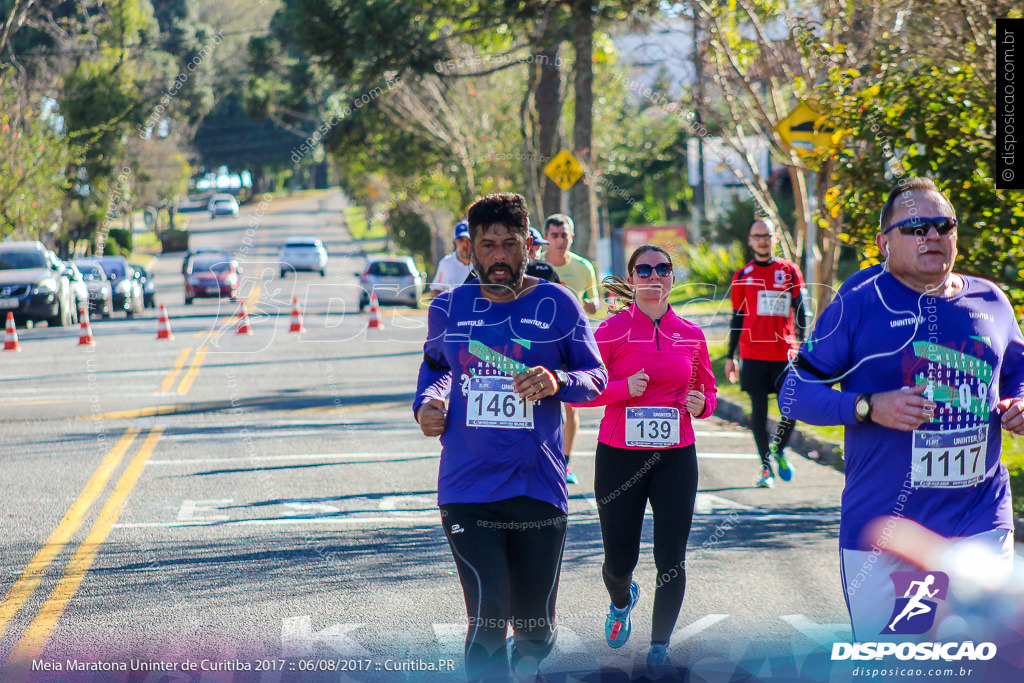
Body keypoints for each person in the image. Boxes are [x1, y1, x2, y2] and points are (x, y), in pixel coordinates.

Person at [780, 177, 1024, 640]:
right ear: (883, 242)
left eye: (942, 225)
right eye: (914, 227)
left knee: (984, 657)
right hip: (890, 532)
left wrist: (1020, 401)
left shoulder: (990, 300)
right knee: (905, 662)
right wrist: (868, 406)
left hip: (980, 519)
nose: (931, 236)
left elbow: (1016, 370)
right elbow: (793, 392)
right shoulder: (859, 302)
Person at [414, 193, 607, 682]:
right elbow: (437, 367)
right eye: (487, 245)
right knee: (487, 618)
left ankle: (528, 662)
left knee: (535, 631)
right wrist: (428, 403)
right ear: (471, 250)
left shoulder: (558, 303)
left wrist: (558, 381)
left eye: (509, 244)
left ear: (528, 247)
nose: (498, 255)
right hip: (467, 489)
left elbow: (597, 378)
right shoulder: (449, 308)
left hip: (538, 486)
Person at [572, 244, 716, 678]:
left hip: (676, 457)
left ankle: (659, 649)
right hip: (619, 457)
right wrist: (622, 389)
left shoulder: (691, 334)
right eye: (645, 269)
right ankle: (621, 601)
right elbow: (582, 391)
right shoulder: (610, 332)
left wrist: (701, 404)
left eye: (663, 268)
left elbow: (708, 392)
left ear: (673, 278)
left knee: (671, 558)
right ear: (631, 278)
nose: (655, 275)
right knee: (619, 562)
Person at [726, 218, 809, 488]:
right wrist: (731, 355)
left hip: (784, 352)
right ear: (750, 240)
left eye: (767, 235)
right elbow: (737, 318)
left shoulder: (789, 271)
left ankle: (779, 448)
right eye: (757, 236)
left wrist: (803, 344)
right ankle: (765, 468)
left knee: (792, 407)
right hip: (752, 354)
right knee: (758, 413)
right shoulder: (742, 275)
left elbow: (800, 311)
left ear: (775, 238)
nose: (762, 240)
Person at [544, 213, 601, 485]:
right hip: (541, 342)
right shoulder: (536, 266)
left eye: (564, 235)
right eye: (554, 235)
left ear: (572, 236)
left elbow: (595, 299)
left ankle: (564, 464)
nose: (559, 240)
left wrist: (593, 305)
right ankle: (539, 459)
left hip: (573, 343)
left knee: (571, 408)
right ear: (546, 238)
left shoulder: (583, 267)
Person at [429, 220, 473, 295]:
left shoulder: (483, 264)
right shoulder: (446, 263)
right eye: (461, 240)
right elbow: (436, 289)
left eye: (468, 240)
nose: (465, 244)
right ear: (455, 241)